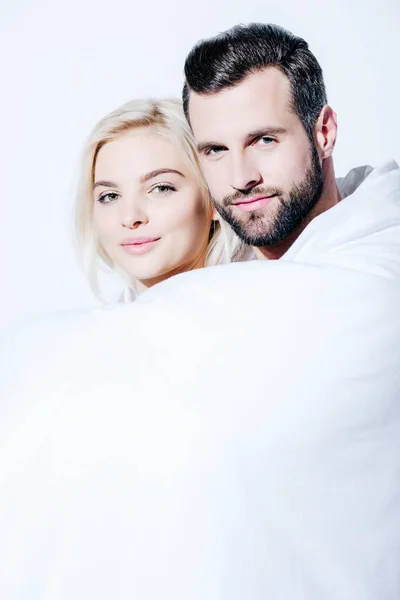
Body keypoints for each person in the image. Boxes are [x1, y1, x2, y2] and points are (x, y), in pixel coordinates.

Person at [182, 23, 399, 259]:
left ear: (325, 133)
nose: (241, 179)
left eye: (265, 140)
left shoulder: (383, 259)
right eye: (216, 150)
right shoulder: (211, 273)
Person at [75, 98, 248, 300]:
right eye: (110, 196)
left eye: (160, 188)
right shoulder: (88, 330)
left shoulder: (263, 313)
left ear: (214, 200)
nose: (130, 217)